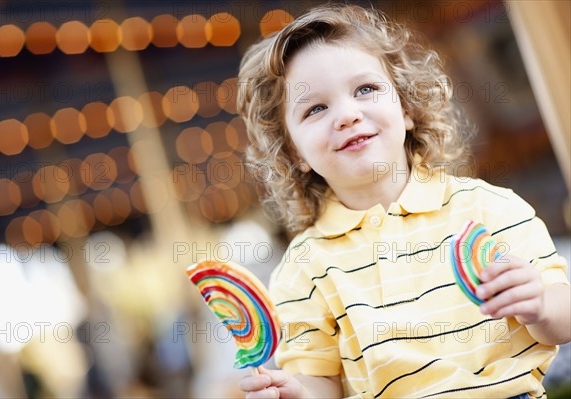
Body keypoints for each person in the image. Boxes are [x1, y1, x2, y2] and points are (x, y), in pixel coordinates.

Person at [236, 4, 570, 399]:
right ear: (294, 154)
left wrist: (540, 305)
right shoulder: (305, 269)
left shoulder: (489, 209)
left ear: (407, 108)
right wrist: (294, 392)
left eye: (365, 89)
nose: (346, 115)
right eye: (315, 109)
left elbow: (562, 317)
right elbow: (321, 383)